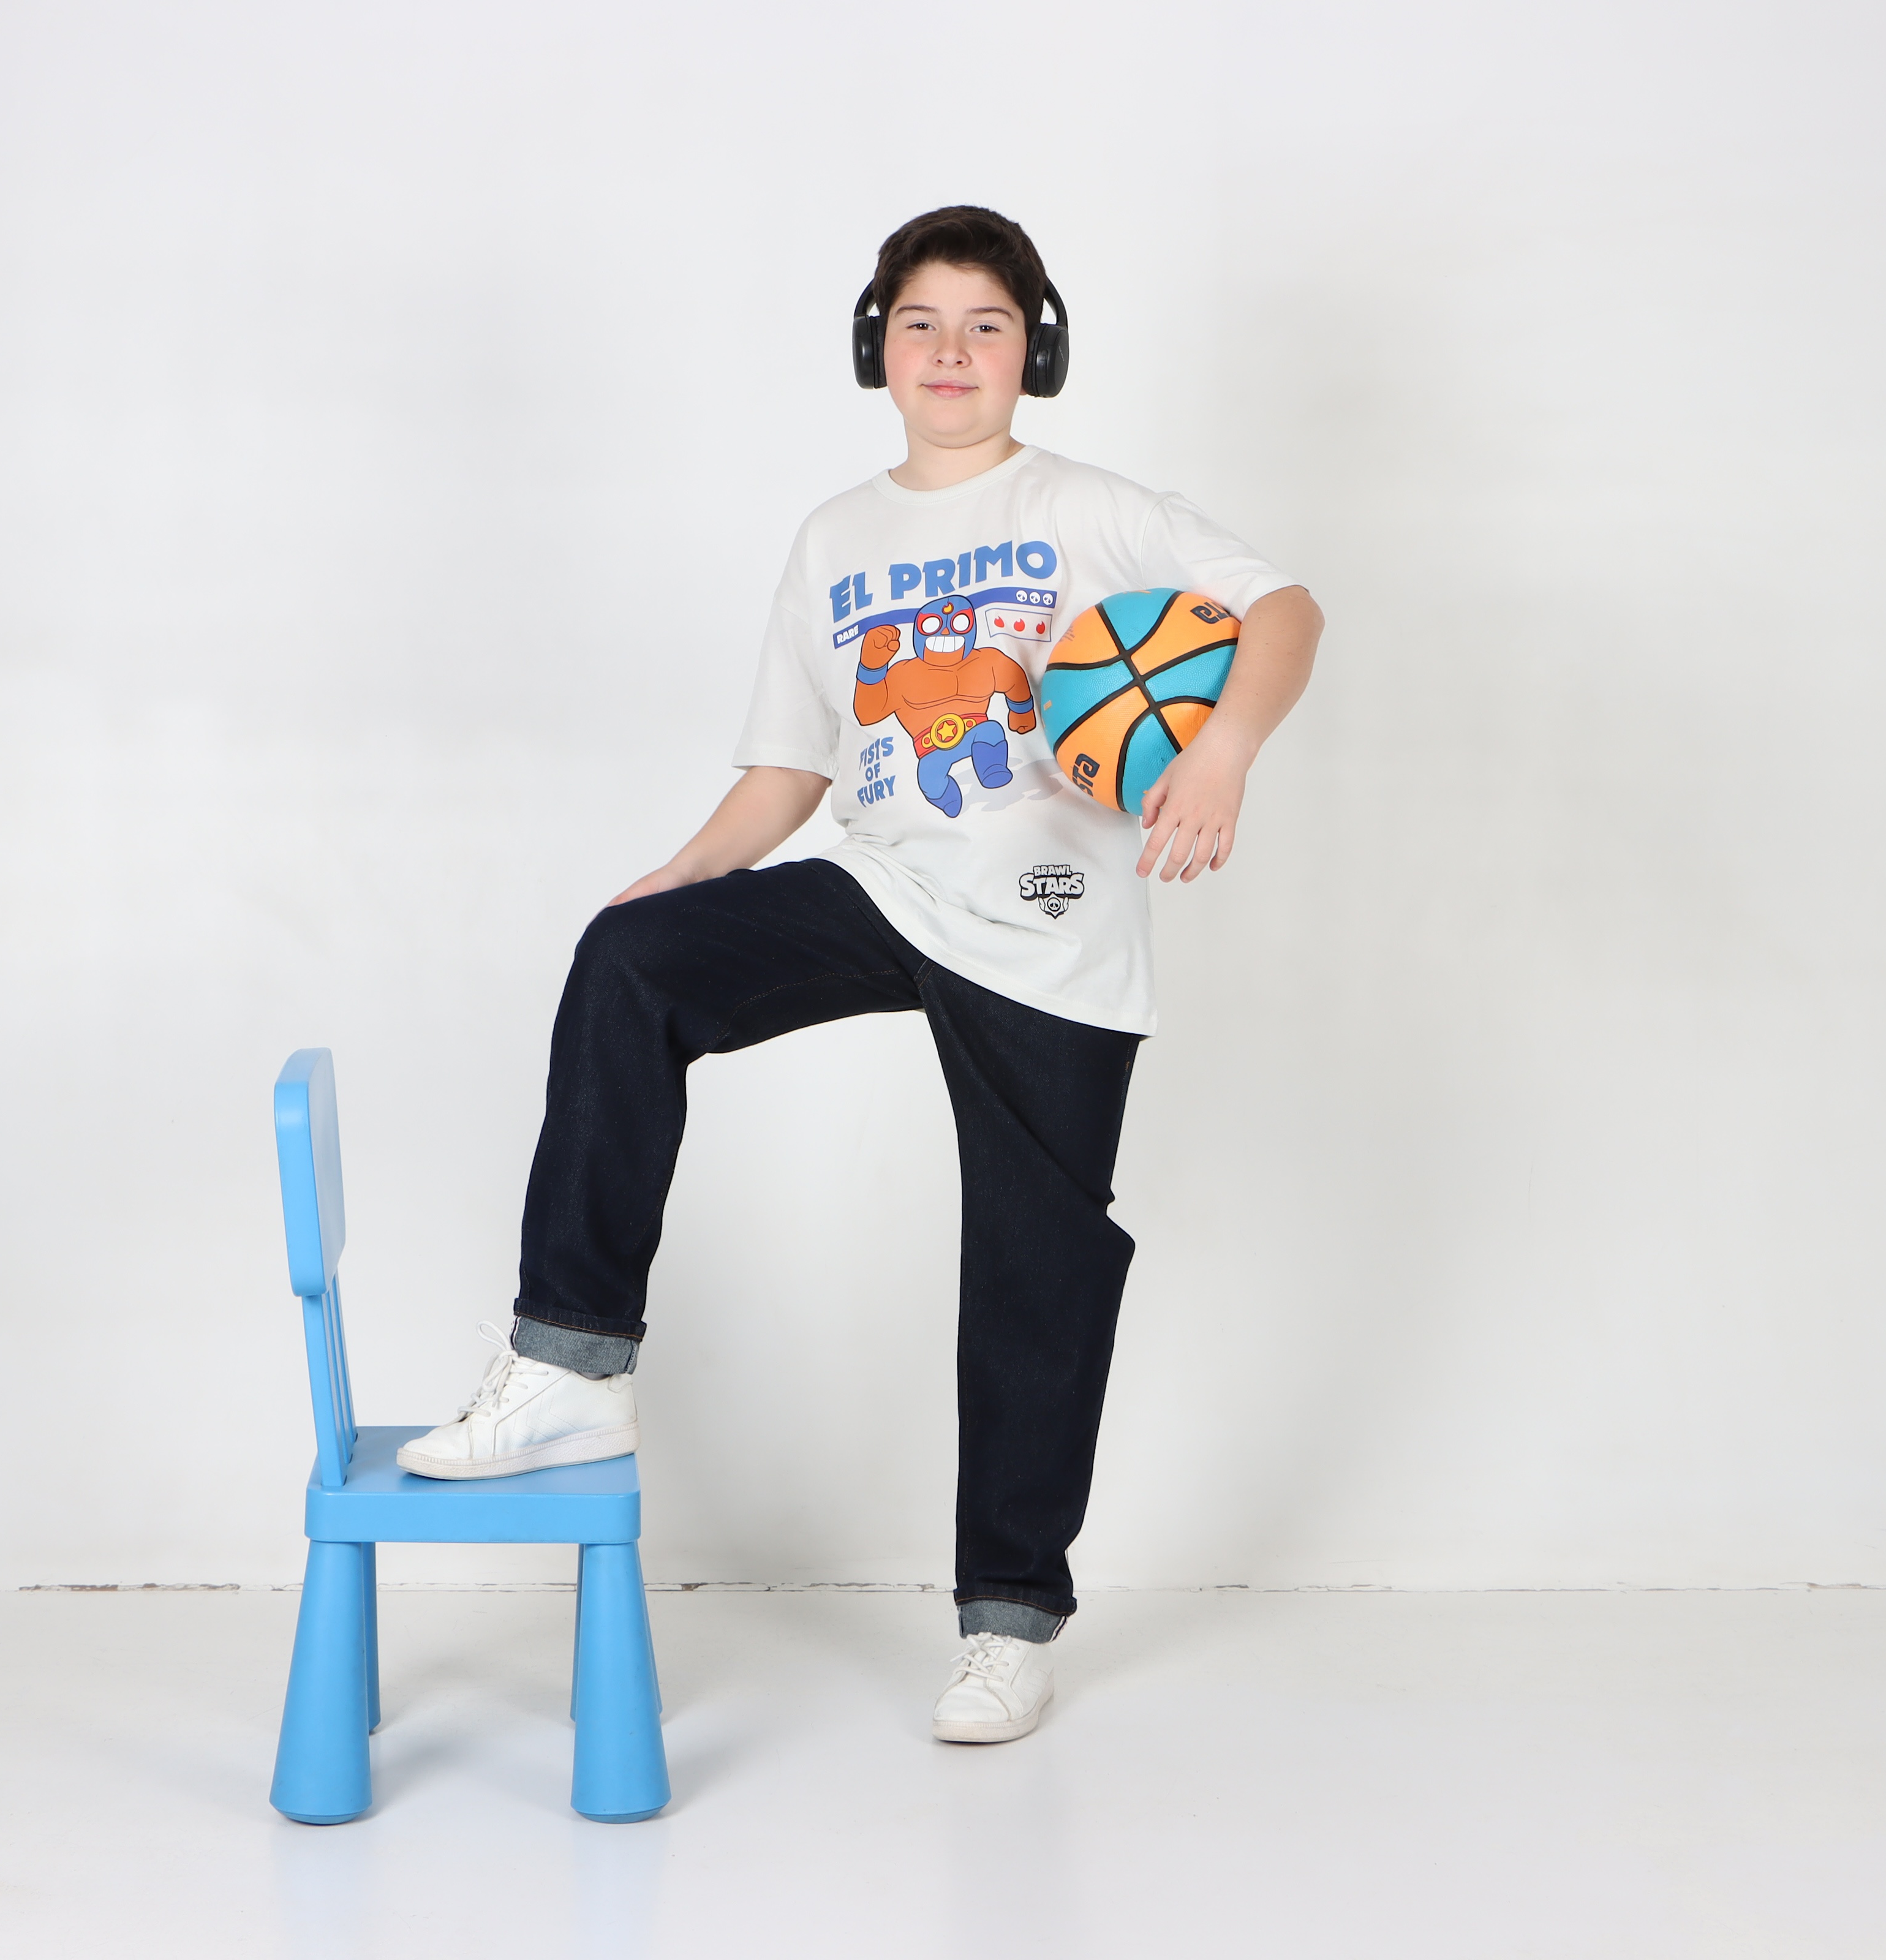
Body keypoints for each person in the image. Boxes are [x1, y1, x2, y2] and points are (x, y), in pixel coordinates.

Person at [399, 206, 1323, 1744]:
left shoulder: (1090, 505)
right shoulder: (835, 538)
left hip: (1050, 923)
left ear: (1037, 349)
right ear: (874, 347)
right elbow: (790, 771)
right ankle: (569, 1362)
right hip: (886, 883)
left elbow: (1284, 610)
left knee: (1036, 1267)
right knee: (630, 962)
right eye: (920, 323)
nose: (951, 351)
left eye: (985, 323)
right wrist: (674, 884)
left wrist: (1221, 750)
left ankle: (1008, 1624)